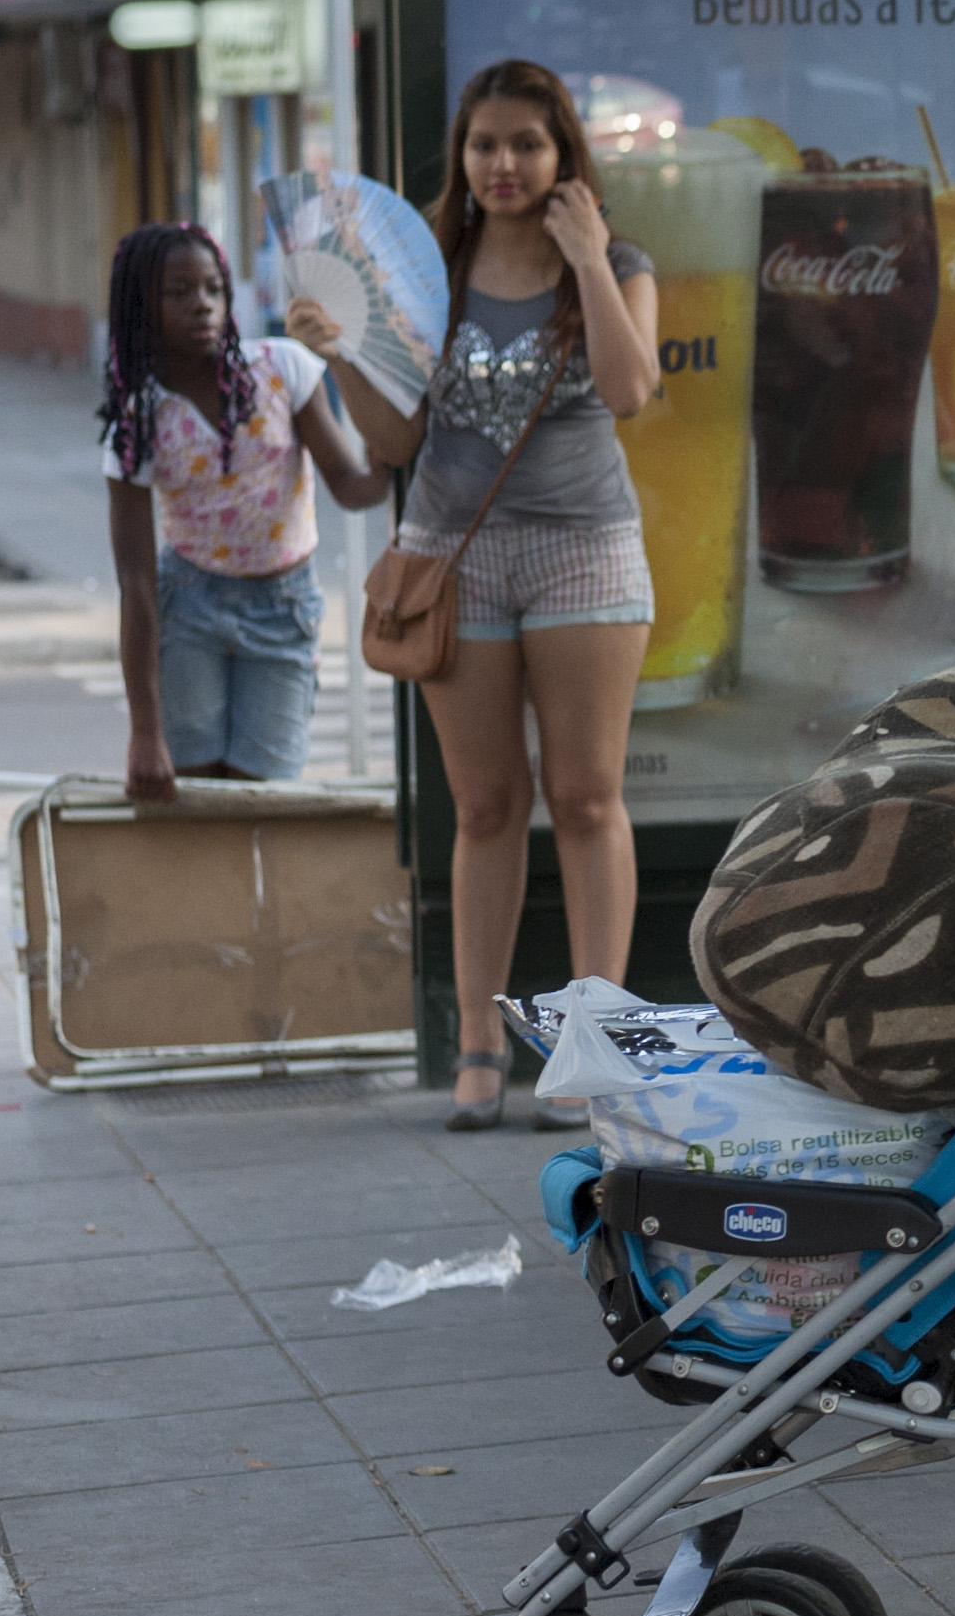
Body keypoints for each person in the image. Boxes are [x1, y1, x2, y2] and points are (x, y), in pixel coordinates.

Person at [294, 63, 664, 1134]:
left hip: (585, 552)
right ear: (460, 157)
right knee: (488, 803)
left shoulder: (620, 259)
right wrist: (345, 354)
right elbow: (398, 442)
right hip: (454, 556)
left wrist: (587, 257)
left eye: (527, 144)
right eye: (484, 144)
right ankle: (479, 1038)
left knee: (589, 796)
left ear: (565, 158)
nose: (503, 164)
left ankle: (595, 1044)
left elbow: (632, 388)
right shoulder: (428, 273)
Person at [100, 220, 389, 800]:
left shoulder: (282, 370)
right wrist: (144, 731)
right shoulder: (137, 420)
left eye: (212, 288)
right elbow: (135, 582)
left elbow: (353, 488)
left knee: (267, 800)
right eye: (177, 293)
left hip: (284, 612)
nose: (201, 305)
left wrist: (393, 444)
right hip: (188, 613)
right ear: (141, 306)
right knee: (197, 803)